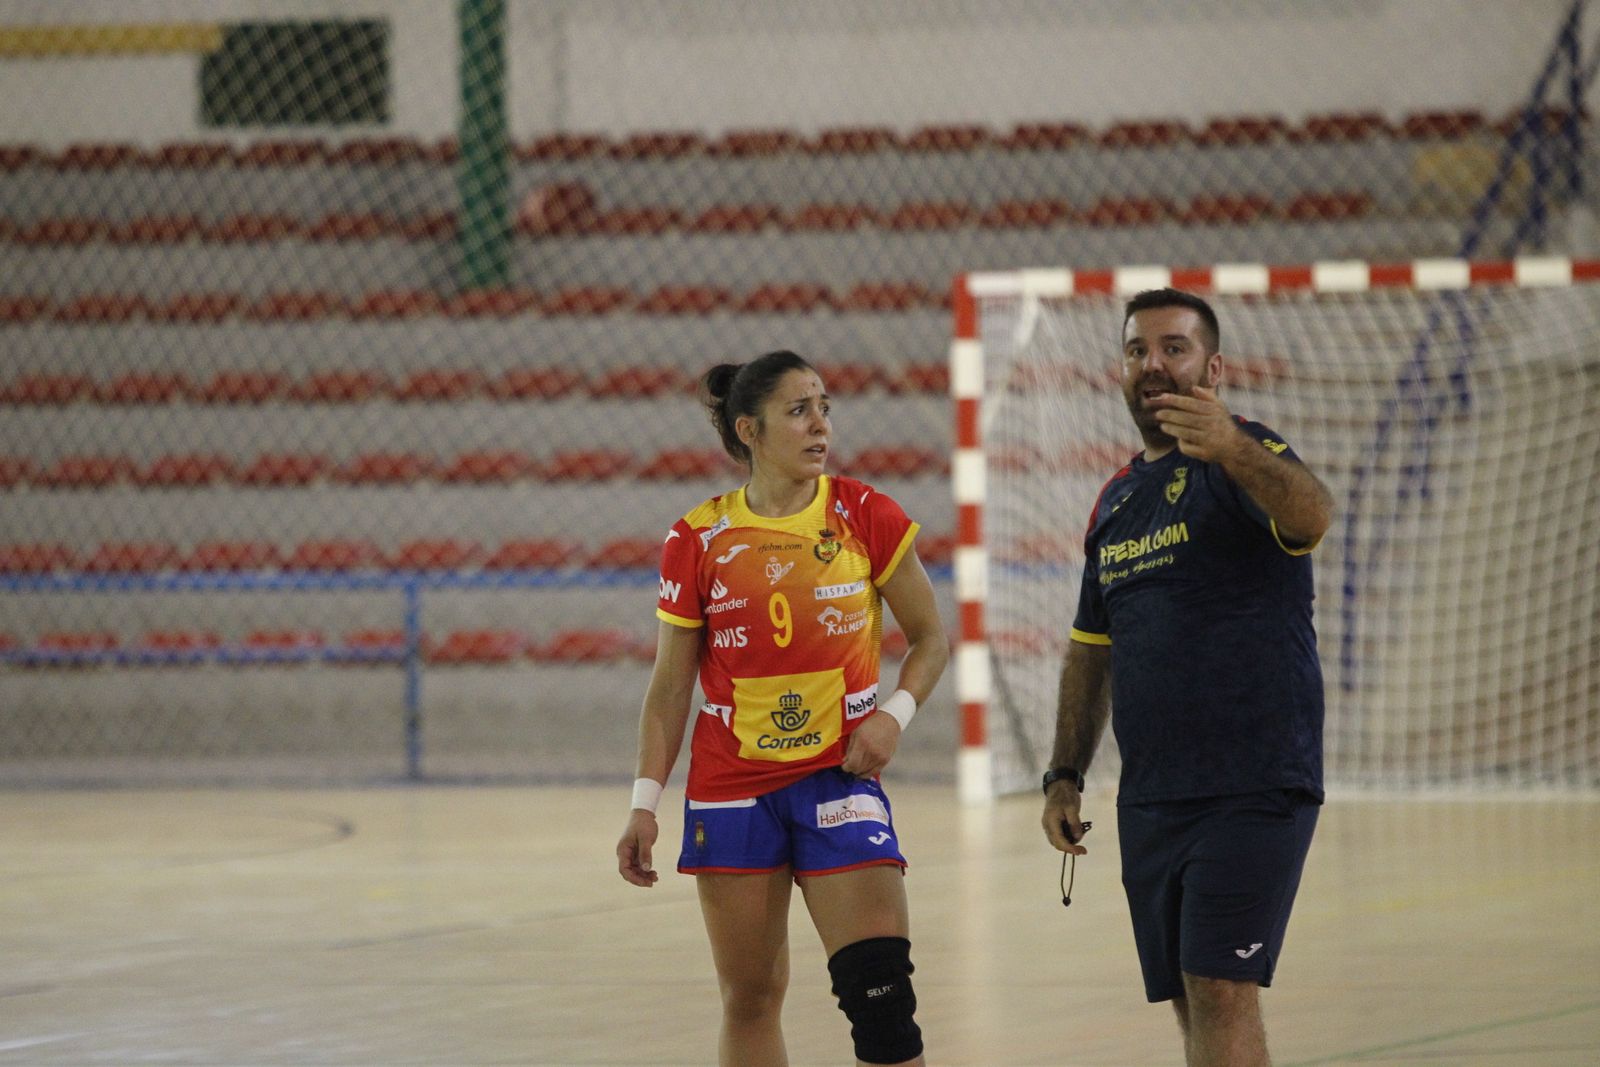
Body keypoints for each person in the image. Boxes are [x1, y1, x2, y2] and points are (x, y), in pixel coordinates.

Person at [616, 349, 948, 1067]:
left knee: (882, 998)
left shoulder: (865, 513)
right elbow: (670, 686)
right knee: (751, 999)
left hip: (838, 777)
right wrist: (645, 802)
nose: (820, 424)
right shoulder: (697, 537)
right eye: (799, 410)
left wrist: (892, 714)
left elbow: (931, 639)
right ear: (750, 430)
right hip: (732, 789)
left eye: (824, 407)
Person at [1040, 289, 1334, 1067]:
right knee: (1191, 993)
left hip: (1253, 780)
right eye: (1138, 349)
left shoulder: (1244, 455)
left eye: (1174, 347)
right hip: (1153, 794)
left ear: (1214, 368)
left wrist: (1232, 445)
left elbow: (1313, 516)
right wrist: (1064, 774)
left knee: (1219, 986)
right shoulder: (1115, 500)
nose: (1153, 364)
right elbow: (1090, 650)